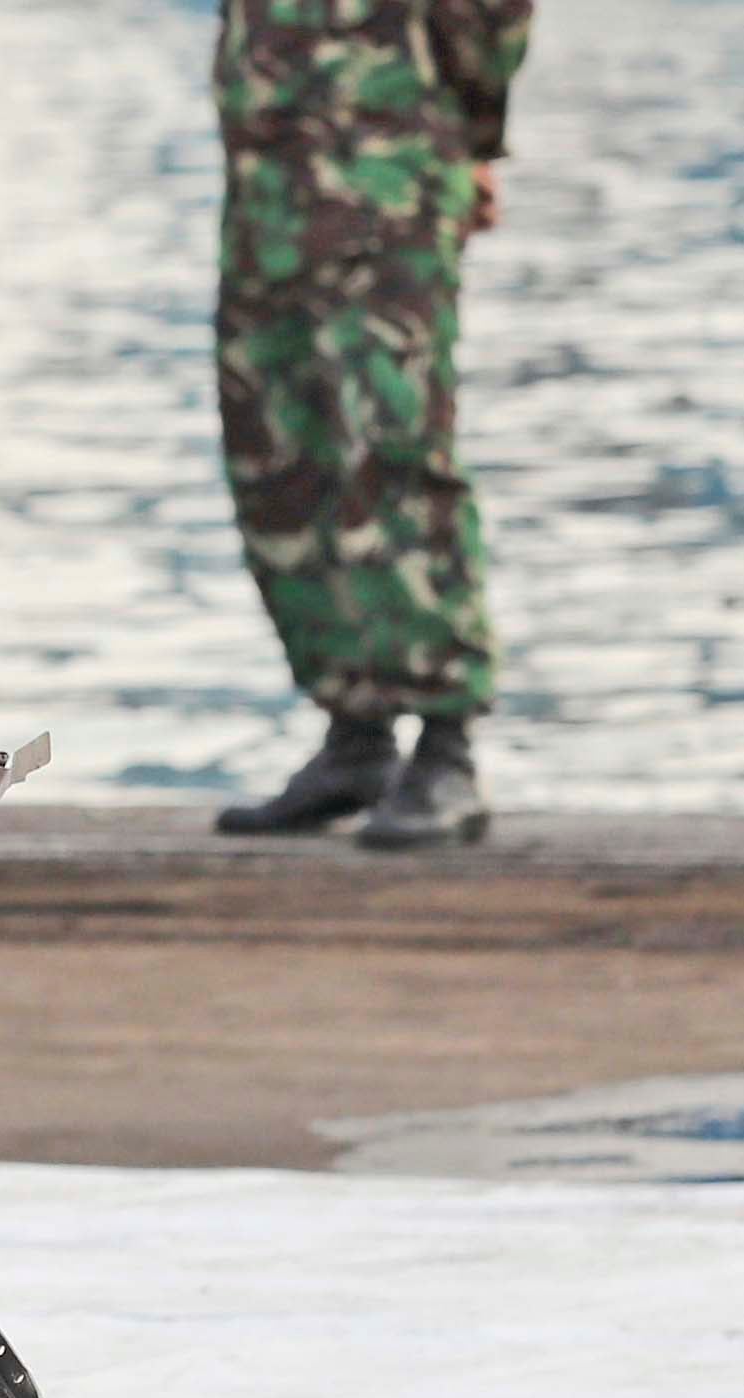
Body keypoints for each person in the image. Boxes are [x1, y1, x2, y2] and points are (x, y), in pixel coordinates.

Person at [207, 0, 532, 850]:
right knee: (277, 459)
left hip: (388, 193)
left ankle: (447, 745)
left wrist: (472, 141)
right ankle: (354, 734)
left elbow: (489, 18)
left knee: (395, 453)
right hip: (268, 202)